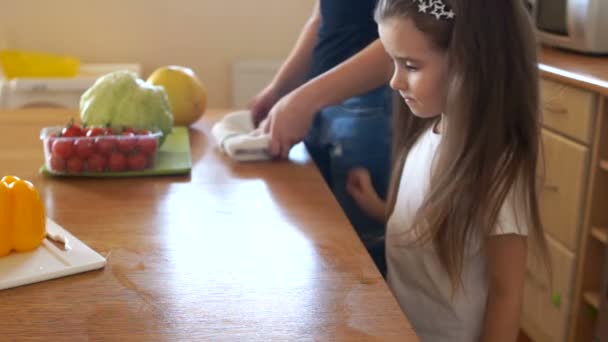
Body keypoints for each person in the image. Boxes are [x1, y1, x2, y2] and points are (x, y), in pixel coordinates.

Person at [346, 0, 551, 340]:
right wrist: (378, 207)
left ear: (470, 63)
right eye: (393, 62)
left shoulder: (497, 166)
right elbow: (434, 232)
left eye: (410, 65)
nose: (395, 82)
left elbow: (506, 294)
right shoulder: (427, 134)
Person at [249, 0, 394, 275]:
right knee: (325, 254)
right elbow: (322, 18)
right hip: (322, 104)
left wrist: (305, 99)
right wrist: (280, 90)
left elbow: (406, 34)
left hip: (369, 113)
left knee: (360, 264)